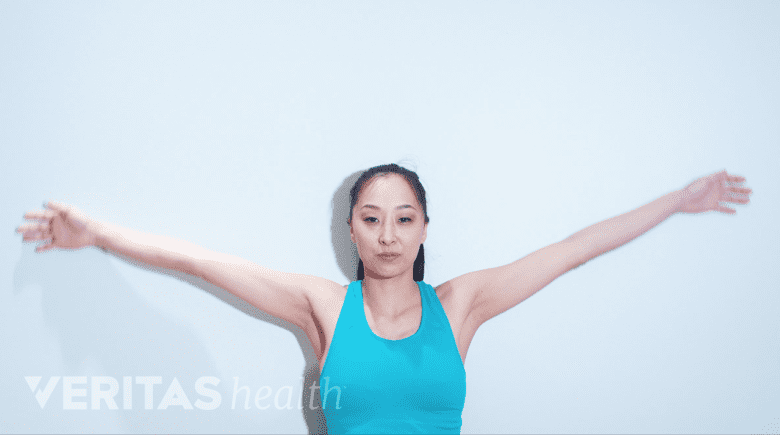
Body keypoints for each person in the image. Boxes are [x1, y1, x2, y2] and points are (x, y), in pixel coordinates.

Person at [15, 164, 752, 434]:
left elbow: (572, 251)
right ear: (353, 229)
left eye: (404, 219)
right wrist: (99, 234)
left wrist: (677, 201)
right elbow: (204, 264)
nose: (389, 235)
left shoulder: (460, 304)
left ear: (425, 227)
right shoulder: (324, 307)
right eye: (373, 219)